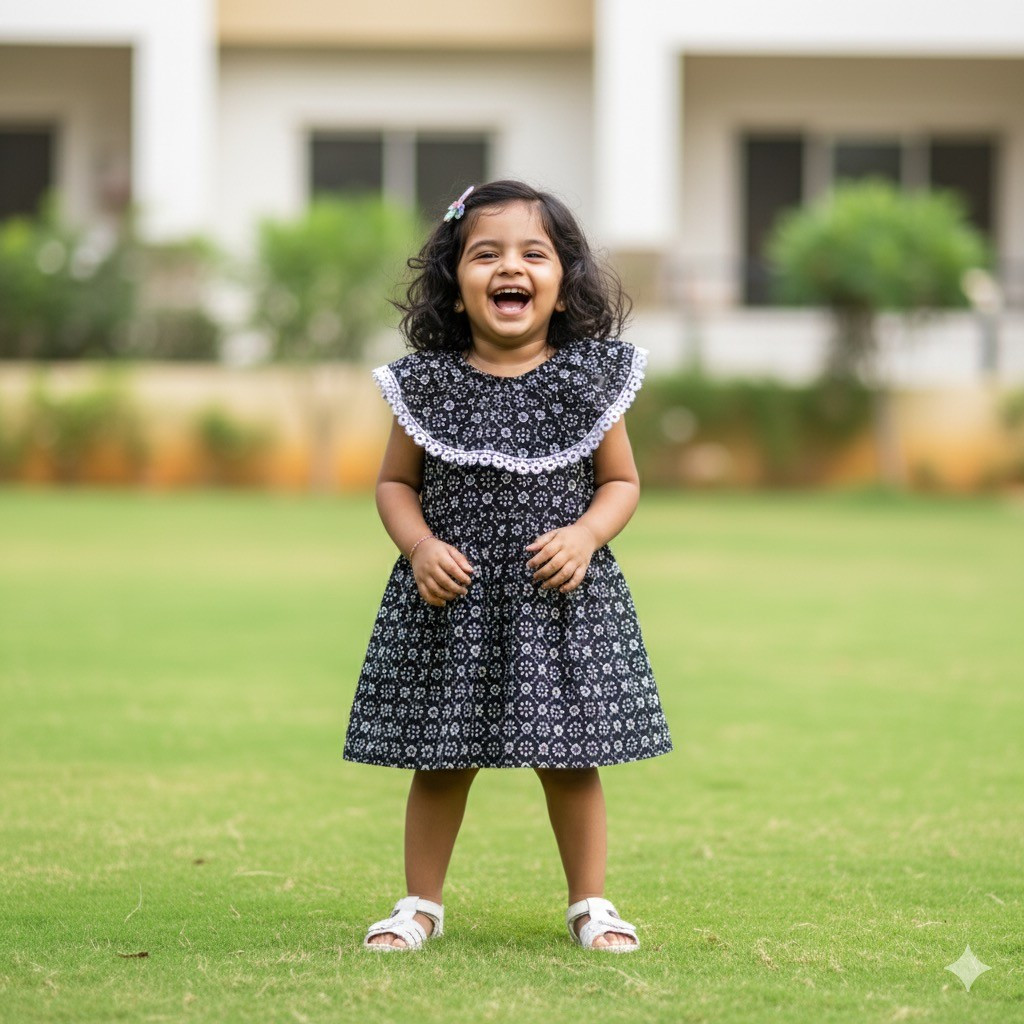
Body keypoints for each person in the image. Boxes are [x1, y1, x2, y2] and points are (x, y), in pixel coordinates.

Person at [343, 179, 674, 953]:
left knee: (570, 759)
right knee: (441, 757)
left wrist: (587, 535)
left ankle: (591, 902)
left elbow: (621, 481)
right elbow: (395, 483)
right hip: (451, 601)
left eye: (533, 253)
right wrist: (420, 545)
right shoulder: (426, 385)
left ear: (562, 283)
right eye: (485, 254)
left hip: (559, 601)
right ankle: (418, 903)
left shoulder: (591, 379)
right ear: (455, 286)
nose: (509, 268)